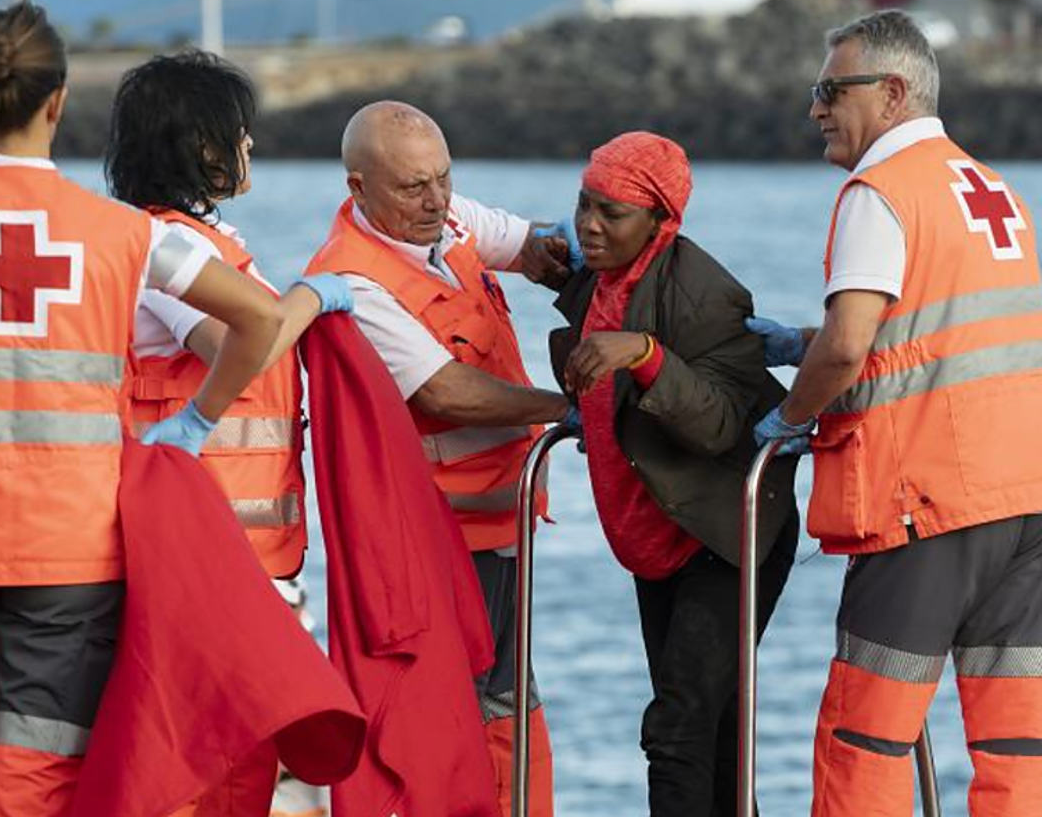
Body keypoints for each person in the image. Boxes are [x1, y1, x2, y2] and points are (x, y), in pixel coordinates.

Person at [0, 0, 281, 817]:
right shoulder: (130, 236)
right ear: (60, 100)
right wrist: (199, 421)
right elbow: (257, 319)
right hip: (70, 554)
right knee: (38, 774)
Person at [750, 10, 1042, 817]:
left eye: (831, 90)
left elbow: (850, 349)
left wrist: (790, 416)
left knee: (862, 736)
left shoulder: (880, 191)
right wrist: (800, 338)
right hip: (1034, 498)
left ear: (892, 93)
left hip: (927, 501)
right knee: (1022, 742)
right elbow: (937, 327)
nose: (816, 109)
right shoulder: (987, 186)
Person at [104, 50, 352, 817]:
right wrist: (312, 299)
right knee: (211, 773)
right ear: (204, 147)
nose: (250, 150)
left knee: (242, 768)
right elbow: (236, 344)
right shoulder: (165, 253)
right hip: (203, 556)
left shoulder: (198, 244)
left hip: (241, 558)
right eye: (239, 136)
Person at [304, 100, 569, 816]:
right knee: (471, 710)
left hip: (501, 526)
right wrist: (572, 410)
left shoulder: (447, 222)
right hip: (442, 539)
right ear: (359, 190)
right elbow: (450, 392)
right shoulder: (354, 281)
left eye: (443, 179)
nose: (436, 201)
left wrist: (599, 264)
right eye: (413, 188)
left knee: (513, 700)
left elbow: (535, 246)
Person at [529, 131, 798, 817]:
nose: (590, 225)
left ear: (660, 222)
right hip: (658, 528)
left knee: (677, 729)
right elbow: (518, 243)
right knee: (715, 731)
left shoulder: (706, 295)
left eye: (611, 214)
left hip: (728, 529)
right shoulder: (598, 271)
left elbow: (719, 423)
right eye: (584, 205)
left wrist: (645, 355)